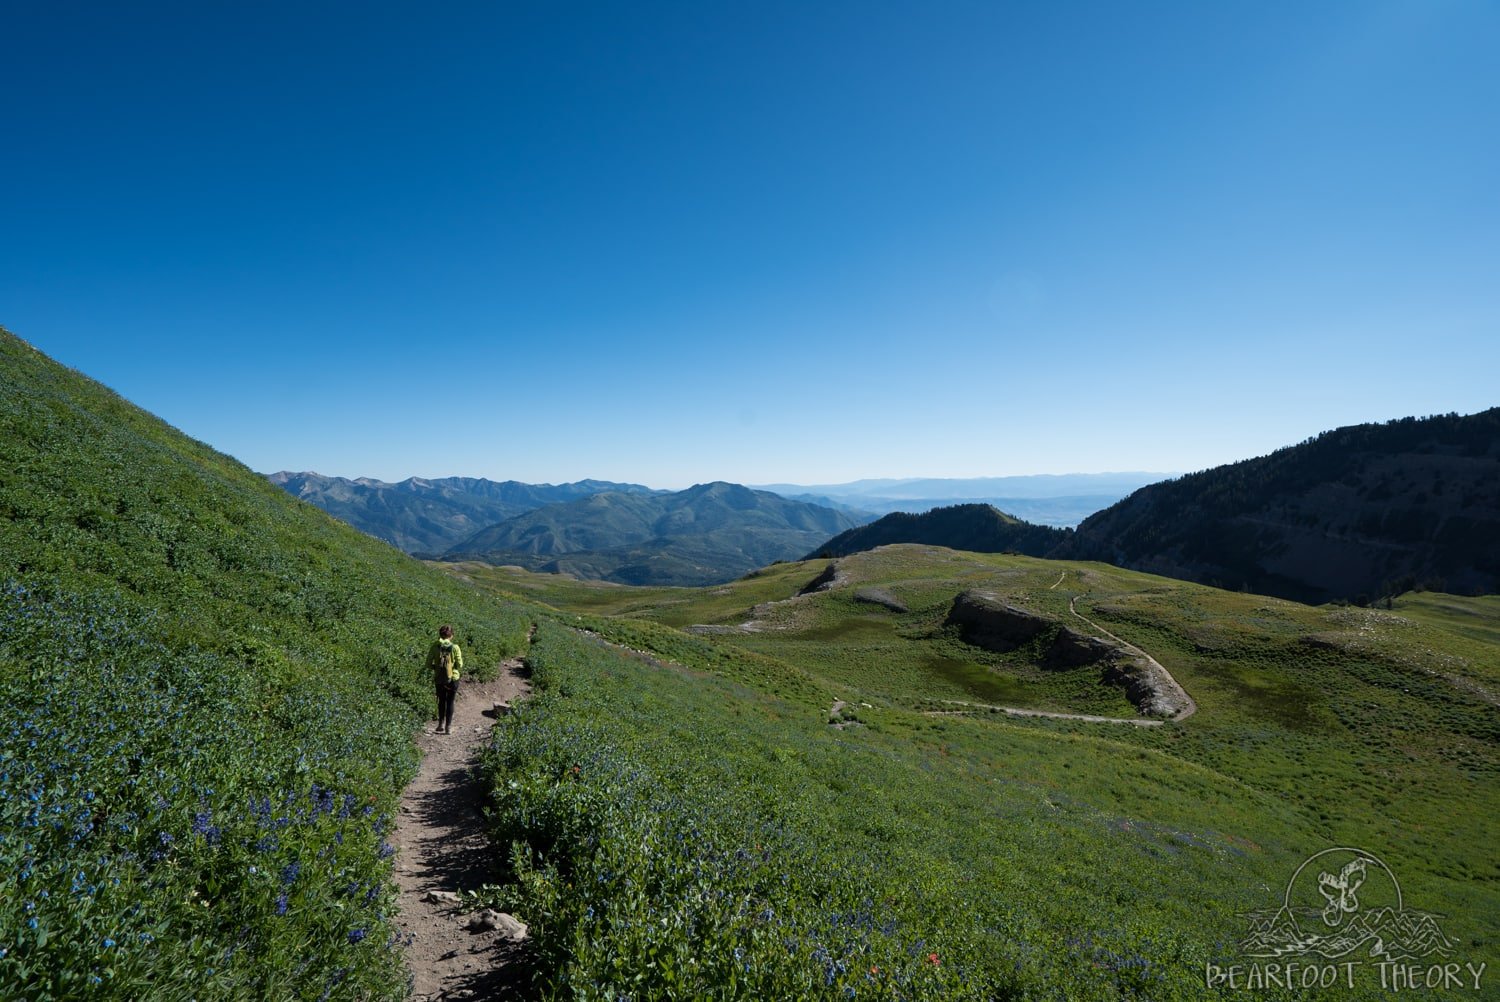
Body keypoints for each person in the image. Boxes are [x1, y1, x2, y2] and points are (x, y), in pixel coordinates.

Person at [426, 625, 463, 734]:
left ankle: (440, 724)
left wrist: (436, 668)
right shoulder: (455, 647)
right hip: (453, 678)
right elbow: (460, 665)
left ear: (440, 635)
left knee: (441, 701)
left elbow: (428, 664)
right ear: (451, 635)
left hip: (439, 678)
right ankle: (448, 727)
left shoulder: (434, 646)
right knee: (450, 701)